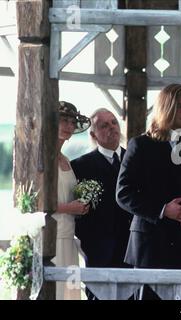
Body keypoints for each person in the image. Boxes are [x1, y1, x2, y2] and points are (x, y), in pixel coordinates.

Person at [116, 84, 181, 300]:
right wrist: (163, 210)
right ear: (166, 107)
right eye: (180, 106)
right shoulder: (141, 145)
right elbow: (123, 193)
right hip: (151, 246)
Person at [71, 108, 132, 300]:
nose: (111, 128)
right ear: (93, 134)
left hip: (131, 248)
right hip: (98, 250)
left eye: (114, 122)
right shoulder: (80, 165)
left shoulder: (135, 159)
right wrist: (89, 240)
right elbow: (78, 209)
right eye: (104, 125)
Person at [53, 101, 91, 300]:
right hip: (51, 237)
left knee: (71, 293)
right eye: (64, 121)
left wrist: (81, 204)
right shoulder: (43, 157)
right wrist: (70, 207)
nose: (69, 126)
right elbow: (35, 203)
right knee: (55, 291)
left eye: (71, 122)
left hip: (69, 236)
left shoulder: (66, 159)